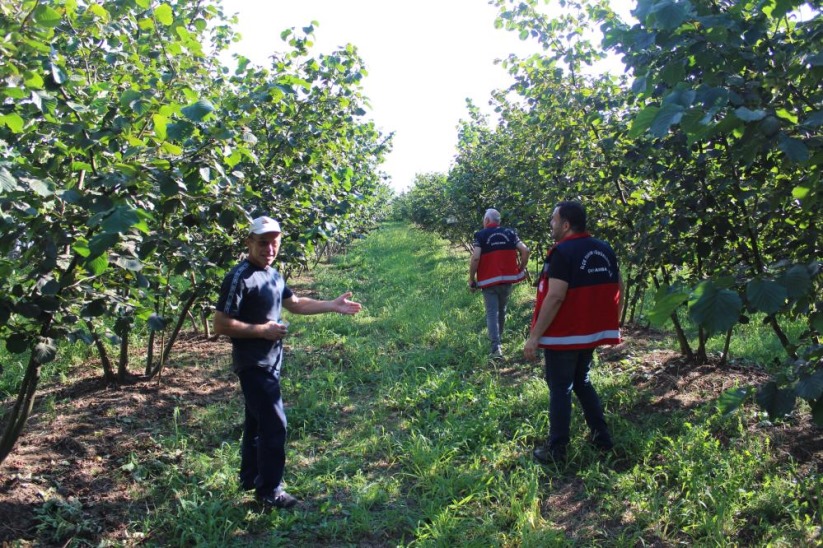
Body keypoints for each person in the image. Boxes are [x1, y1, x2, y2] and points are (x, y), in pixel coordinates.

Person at [214, 215, 362, 509]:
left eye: (274, 243)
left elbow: (294, 304)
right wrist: (262, 331)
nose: (269, 248)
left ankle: (250, 478)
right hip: (252, 363)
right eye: (262, 243)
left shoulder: (273, 274)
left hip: (271, 361)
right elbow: (221, 324)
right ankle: (270, 491)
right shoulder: (239, 277)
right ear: (249, 243)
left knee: (257, 422)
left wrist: (331, 305)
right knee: (275, 424)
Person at [524, 200, 623, 463]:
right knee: (582, 381)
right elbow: (618, 286)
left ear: (566, 224)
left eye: (554, 220)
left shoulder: (562, 252)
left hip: (565, 335)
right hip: (589, 333)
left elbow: (555, 297)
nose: (551, 224)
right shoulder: (604, 248)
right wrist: (615, 320)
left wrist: (534, 337)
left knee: (560, 388)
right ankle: (602, 437)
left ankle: (557, 450)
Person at [468, 208, 530, 359]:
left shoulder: (480, 235)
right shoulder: (510, 233)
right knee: (501, 310)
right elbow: (525, 250)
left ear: (487, 221)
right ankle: (498, 339)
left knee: (491, 313)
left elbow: (476, 258)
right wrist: (520, 268)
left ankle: (496, 348)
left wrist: (471, 278)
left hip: (488, 281)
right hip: (507, 279)